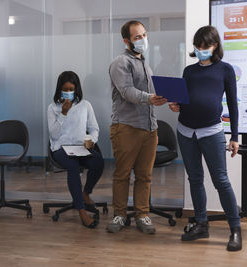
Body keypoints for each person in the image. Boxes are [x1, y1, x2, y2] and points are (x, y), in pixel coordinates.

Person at [169, 25, 242, 251]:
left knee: (221, 180)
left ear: (215, 46)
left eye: (205, 47)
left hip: (212, 132)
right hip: (185, 131)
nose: (201, 50)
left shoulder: (226, 70)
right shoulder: (188, 72)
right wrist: (175, 105)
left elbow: (232, 104)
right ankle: (201, 224)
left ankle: (235, 229)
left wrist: (234, 136)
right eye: (197, 47)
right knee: (194, 179)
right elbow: (183, 101)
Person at [106, 20, 167, 234]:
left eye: (144, 35)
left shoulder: (146, 64)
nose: (143, 39)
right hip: (126, 127)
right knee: (123, 174)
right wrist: (151, 98)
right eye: (137, 37)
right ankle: (119, 215)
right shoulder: (120, 62)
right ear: (127, 41)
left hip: (149, 128)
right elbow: (127, 92)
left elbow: (148, 97)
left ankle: (142, 215)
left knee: (145, 176)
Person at [47, 71, 104, 228]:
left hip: (80, 147)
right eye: (65, 89)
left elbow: (94, 128)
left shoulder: (85, 105)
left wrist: (91, 140)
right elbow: (53, 134)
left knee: (98, 161)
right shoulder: (53, 108)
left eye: (71, 89)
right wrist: (63, 113)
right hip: (60, 148)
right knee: (72, 166)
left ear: (76, 89)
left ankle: (85, 193)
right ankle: (81, 211)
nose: (68, 92)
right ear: (60, 89)